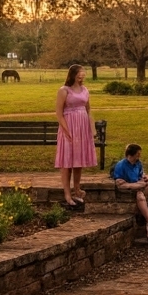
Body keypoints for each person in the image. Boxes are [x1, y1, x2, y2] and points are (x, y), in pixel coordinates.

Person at [55, 63, 96, 210]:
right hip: (69, 127)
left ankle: (77, 189)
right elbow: (59, 113)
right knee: (67, 162)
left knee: (78, 161)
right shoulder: (64, 90)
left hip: (82, 128)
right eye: (79, 74)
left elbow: (88, 109)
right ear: (72, 75)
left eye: (83, 74)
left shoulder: (85, 90)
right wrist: (67, 131)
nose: (82, 76)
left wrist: (92, 129)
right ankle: (67, 194)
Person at [111, 143, 148, 238]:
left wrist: (143, 179)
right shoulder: (121, 165)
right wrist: (135, 185)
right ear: (131, 154)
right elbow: (121, 185)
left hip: (139, 187)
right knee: (140, 195)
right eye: (138, 154)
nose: (139, 156)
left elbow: (141, 177)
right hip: (131, 191)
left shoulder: (138, 164)